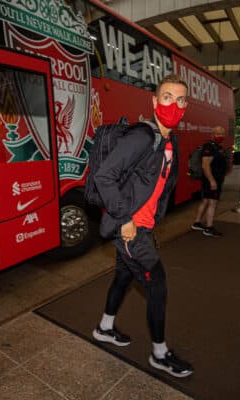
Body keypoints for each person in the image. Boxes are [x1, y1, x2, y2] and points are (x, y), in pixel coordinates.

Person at [91, 74, 193, 378]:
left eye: (180, 100)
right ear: (154, 101)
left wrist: (151, 226)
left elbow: (156, 189)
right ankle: (160, 354)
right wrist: (125, 221)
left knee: (123, 277)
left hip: (143, 228)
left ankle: (104, 328)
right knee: (157, 286)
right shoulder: (143, 137)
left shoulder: (170, 140)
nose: (173, 105)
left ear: (185, 106)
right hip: (129, 228)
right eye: (166, 98)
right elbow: (104, 177)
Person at [190, 126, 228, 237]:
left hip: (213, 180)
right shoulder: (210, 147)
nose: (221, 136)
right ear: (212, 134)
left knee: (206, 201)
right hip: (211, 180)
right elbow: (205, 165)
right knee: (213, 202)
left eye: (222, 134)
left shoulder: (217, 147)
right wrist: (212, 181)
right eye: (218, 133)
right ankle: (209, 228)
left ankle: (197, 223)